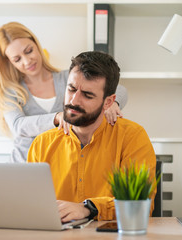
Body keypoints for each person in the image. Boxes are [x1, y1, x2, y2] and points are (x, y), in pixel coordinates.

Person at [27, 51, 156, 222]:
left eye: (87, 95)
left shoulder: (132, 137)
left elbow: (139, 205)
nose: (74, 101)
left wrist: (89, 208)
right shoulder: (41, 144)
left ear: (108, 102)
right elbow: (30, 206)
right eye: (71, 89)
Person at [0, 22, 128, 163]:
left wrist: (112, 103)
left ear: (36, 45)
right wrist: (57, 118)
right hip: (24, 165)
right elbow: (18, 126)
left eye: (29, 51)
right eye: (17, 59)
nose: (27, 61)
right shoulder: (11, 91)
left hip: (63, 165)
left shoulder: (66, 79)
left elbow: (120, 89)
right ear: (9, 62)